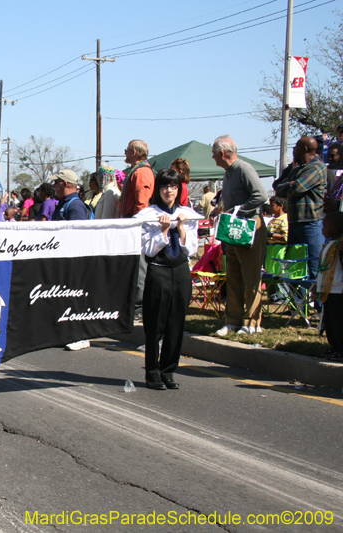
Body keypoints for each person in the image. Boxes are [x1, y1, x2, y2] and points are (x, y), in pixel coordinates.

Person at [135, 169, 198, 390]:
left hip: (180, 271)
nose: (168, 191)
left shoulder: (187, 213)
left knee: (176, 324)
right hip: (158, 272)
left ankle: (168, 370)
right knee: (155, 325)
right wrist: (163, 230)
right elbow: (148, 250)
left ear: (178, 188)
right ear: (157, 189)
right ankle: (152, 374)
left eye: (173, 186)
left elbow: (191, 248)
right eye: (164, 186)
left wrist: (180, 227)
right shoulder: (147, 215)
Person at [211, 135, 269, 336]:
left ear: (222, 153)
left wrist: (239, 210)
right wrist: (220, 211)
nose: (212, 157)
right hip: (233, 229)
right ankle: (232, 321)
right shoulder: (228, 173)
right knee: (233, 275)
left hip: (250, 227)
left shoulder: (244, 168)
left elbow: (261, 195)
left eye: (213, 154)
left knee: (251, 276)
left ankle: (253, 322)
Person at [274, 136, 326, 280]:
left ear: (305, 149)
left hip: (311, 223)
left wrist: (289, 186)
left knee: (314, 266)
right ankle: (298, 301)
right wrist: (288, 184)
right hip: (295, 223)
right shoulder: (296, 168)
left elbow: (297, 187)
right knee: (295, 267)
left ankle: (318, 301)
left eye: (296, 147)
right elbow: (277, 187)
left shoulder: (317, 166)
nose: (293, 150)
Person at [316, 211, 343, 359]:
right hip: (327, 290)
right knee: (329, 322)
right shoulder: (330, 243)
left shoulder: (340, 245)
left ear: (334, 229)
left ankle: (341, 347)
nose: (322, 229)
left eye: (325, 226)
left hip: (338, 290)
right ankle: (334, 346)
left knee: (339, 322)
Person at [120, 140, 155, 217]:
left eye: (126, 150)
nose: (125, 153)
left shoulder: (141, 172)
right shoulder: (138, 170)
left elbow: (141, 203)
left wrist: (136, 222)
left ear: (133, 152)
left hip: (135, 219)